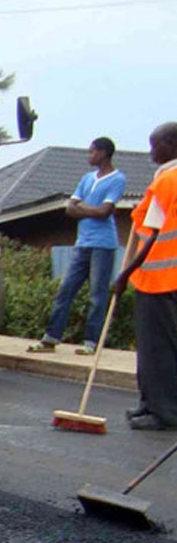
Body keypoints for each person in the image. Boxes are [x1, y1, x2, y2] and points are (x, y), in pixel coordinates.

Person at [27, 137, 127, 355]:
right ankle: (51, 338)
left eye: (92, 152)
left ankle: (91, 342)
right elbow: (70, 209)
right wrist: (91, 209)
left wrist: (83, 207)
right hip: (82, 243)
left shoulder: (117, 179)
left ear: (103, 153)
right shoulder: (86, 178)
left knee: (97, 294)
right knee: (65, 290)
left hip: (103, 244)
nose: (88, 156)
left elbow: (105, 212)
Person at [116, 122, 177, 431]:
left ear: (172, 144)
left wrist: (125, 272)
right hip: (167, 278)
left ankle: (162, 412)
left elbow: (153, 235)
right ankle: (148, 403)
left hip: (161, 278)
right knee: (163, 346)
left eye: (156, 145)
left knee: (157, 349)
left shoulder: (168, 180)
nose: (151, 151)